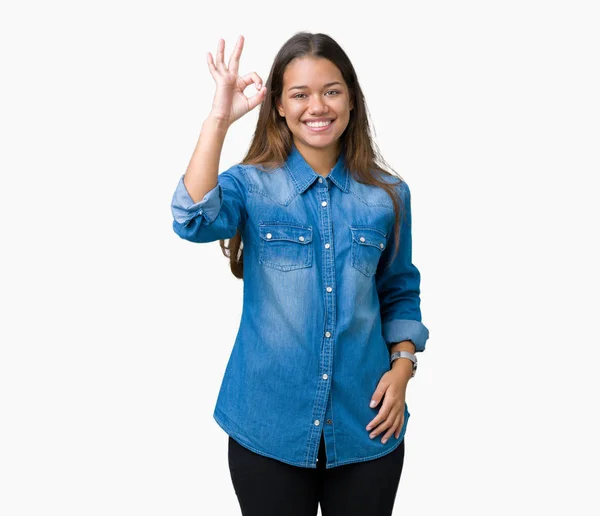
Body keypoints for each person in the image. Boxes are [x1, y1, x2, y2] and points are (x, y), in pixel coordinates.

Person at [170, 31, 430, 516]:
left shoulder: (389, 196)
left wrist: (403, 370)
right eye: (300, 94)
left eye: (331, 90)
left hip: (367, 426)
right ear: (280, 108)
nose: (318, 106)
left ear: (351, 100)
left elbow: (399, 292)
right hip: (267, 427)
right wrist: (218, 121)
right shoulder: (250, 185)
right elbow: (191, 218)